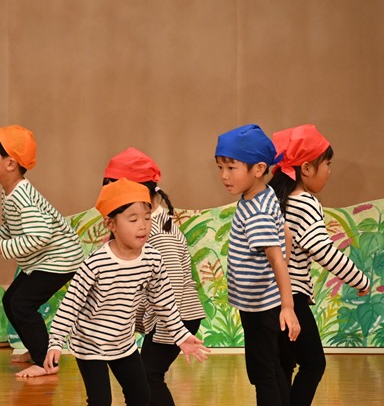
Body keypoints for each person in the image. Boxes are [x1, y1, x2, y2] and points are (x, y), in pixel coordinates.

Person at [44, 178, 209, 405]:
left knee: (141, 396)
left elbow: (164, 302)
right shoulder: (96, 263)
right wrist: (55, 341)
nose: (143, 226)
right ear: (111, 224)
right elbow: (71, 304)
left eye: (147, 218)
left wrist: (180, 335)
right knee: (101, 401)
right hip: (90, 344)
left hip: (123, 342)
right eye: (133, 219)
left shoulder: (153, 258)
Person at [268, 124, 370, 406]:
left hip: (269, 298)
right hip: (292, 297)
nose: (329, 171)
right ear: (307, 168)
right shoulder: (305, 202)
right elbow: (323, 250)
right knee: (313, 364)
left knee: (284, 365)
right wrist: (360, 279)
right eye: (327, 164)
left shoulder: (275, 199)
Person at [103, 147, 206, 406]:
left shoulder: (159, 232)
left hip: (176, 317)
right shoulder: (145, 225)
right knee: (145, 376)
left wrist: (170, 331)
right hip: (168, 318)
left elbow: (173, 285)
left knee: (149, 376)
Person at [0, 124, 84, 378]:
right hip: (46, 259)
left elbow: (40, 236)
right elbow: (11, 226)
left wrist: (2, 247)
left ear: (10, 164)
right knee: (11, 301)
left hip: (60, 259)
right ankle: (37, 348)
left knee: (22, 304)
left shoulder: (23, 197)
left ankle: (45, 361)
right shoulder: (10, 192)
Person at [214, 124, 301, 406]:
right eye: (220, 167)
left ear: (259, 168)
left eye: (231, 167)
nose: (224, 176)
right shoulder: (263, 196)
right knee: (271, 369)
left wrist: (287, 306)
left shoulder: (257, 212)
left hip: (261, 308)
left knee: (263, 374)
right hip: (259, 303)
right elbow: (286, 233)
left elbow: (275, 258)